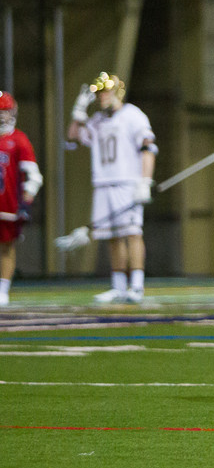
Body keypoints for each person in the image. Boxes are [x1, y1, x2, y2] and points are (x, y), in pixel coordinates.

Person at [67, 73, 157, 304]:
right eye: (99, 93)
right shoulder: (97, 120)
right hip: (103, 182)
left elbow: (148, 148)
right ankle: (118, 286)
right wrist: (78, 112)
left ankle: (136, 286)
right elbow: (73, 138)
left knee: (132, 233)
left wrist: (145, 181)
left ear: (117, 91)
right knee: (112, 237)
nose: (101, 97)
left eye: (105, 92)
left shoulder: (133, 115)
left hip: (127, 182)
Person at [0, 91, 43, 306]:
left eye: (5, 111)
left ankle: (3, 289)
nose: (2, 115)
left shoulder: (18, 139)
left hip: (8, 205)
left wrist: (26, 199)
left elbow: (33, 176)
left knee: (6, 247)